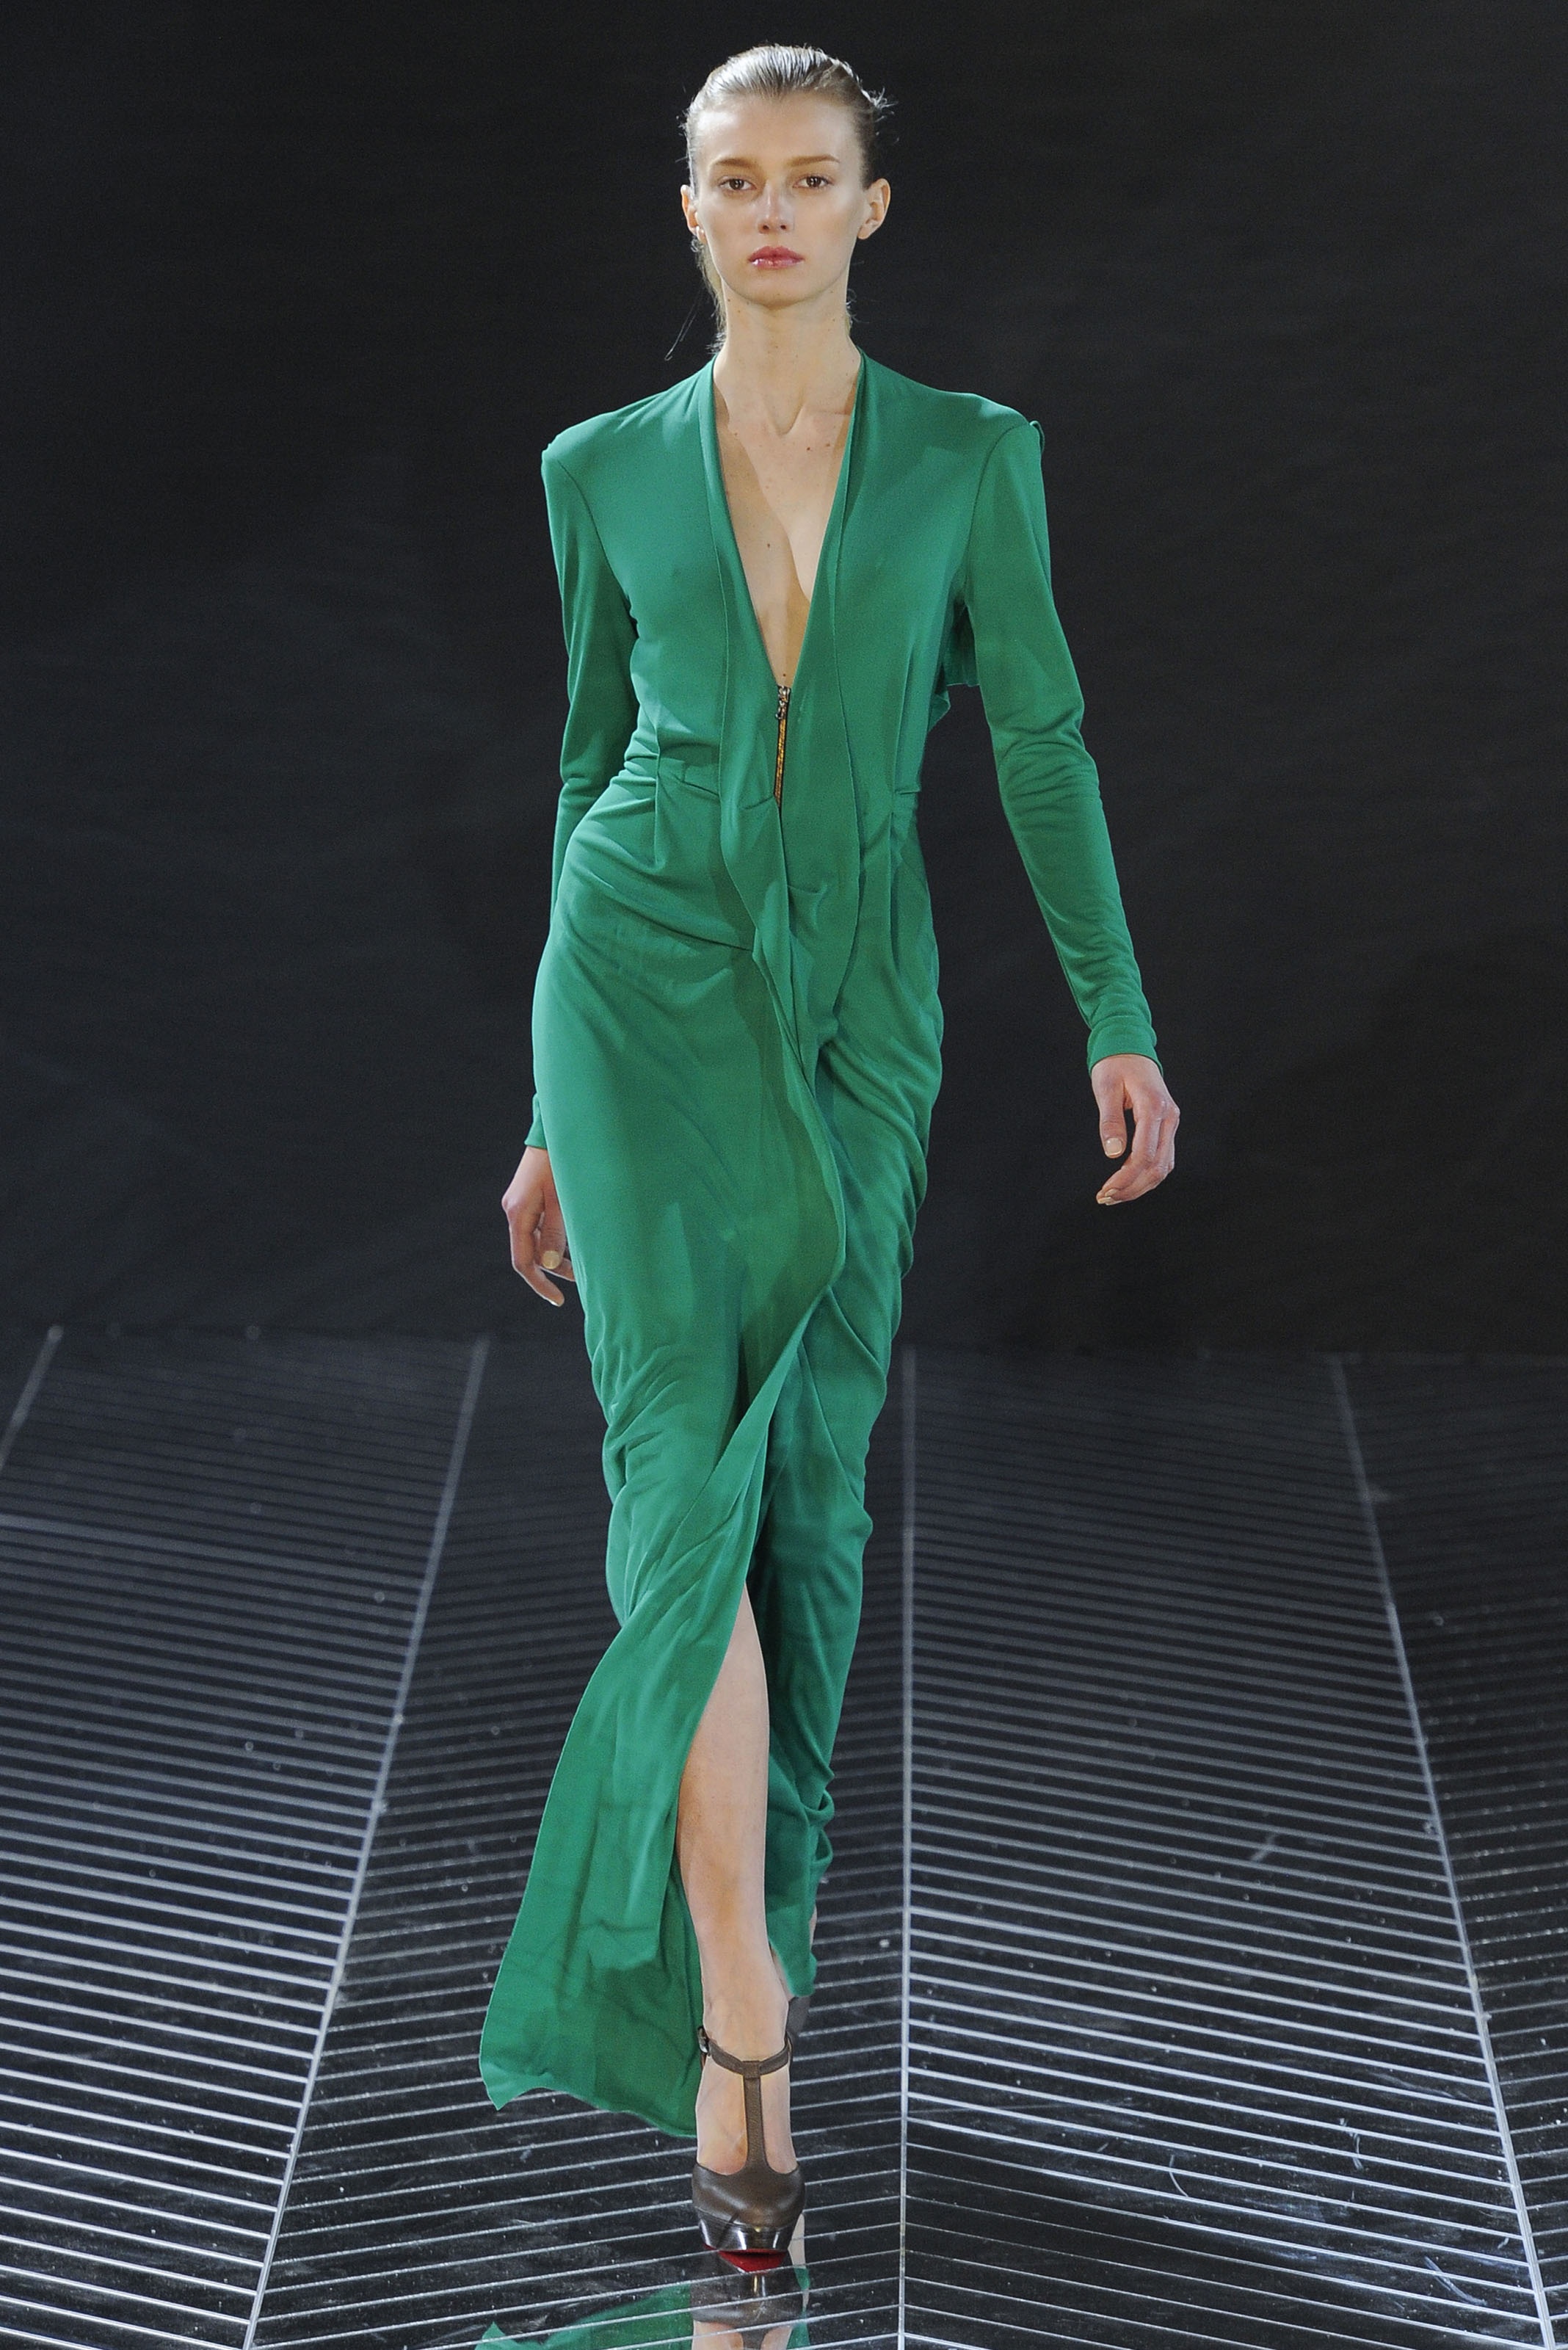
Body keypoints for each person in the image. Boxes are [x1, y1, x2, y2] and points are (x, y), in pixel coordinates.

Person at [479, 42, 1178, 2268]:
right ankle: (741, 2024)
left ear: (871, 206)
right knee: (675, 1484)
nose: (769, 211)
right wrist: (546, 1115)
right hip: (633, 984)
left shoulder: (973, 456)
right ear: (688, 209)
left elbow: (1043, 737)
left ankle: (745, 1956)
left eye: (809, 177)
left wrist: (1116, 1011)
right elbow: (588, 749)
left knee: (804, 1500)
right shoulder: (602, 466)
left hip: (861, 1016)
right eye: (733, 179)